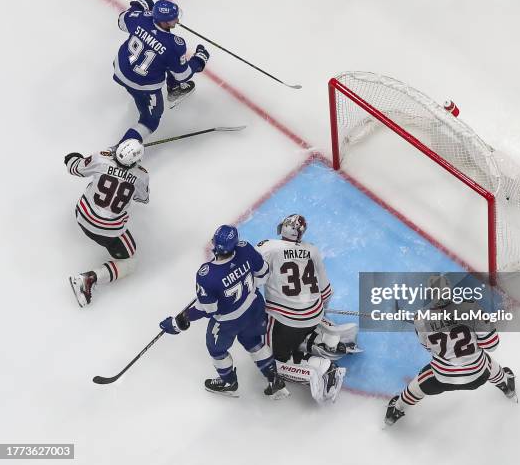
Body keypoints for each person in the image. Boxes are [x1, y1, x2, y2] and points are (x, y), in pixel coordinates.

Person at [160, 225, 289, 399]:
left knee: (217, 351)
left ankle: (228, 383)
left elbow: (208, 309)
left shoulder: (206, 275)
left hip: (228, 323)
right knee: (254, 342)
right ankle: (274, 378)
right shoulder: (245, 249)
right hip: (254, 308)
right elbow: (264, 274)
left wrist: (179, 322)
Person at [384, 275, 517, 426]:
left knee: (420, 382)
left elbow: (428, 348)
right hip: (477, 377)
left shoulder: (421, 321)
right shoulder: (472, 308)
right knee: (485, 362)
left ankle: (396, 410)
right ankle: (506, 386)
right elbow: (491, 345)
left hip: (442, 378)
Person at [256, 214, 353, 403]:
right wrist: (321, 309)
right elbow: (326, 291)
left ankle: (322, 366)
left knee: (269, 359)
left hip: (285, 320)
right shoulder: (312, 250)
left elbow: (250, 275)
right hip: (314, 314)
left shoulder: (267, 247)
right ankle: (318, 338)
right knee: (300, 327)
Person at [114, 0, 210, 143]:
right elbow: (182, 75)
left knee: (166, 60)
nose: (177, 21)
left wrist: (138, 6)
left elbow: (121, 21)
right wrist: (199, 60)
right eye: (173, 19)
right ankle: (121, 155)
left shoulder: (140, 17)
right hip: (143, 86)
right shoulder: (174, 45)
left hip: (120, 68)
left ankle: (173, 89)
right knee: (150, 121)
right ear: (163, 22)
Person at [66, 140, 149, 307]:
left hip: (82, 214)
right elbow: (143, 198)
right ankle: (89, 279)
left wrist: (71, 159)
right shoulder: (142, 175)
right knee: (130, 262)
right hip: (107, 231)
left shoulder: (101, 158)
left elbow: (74, 168)